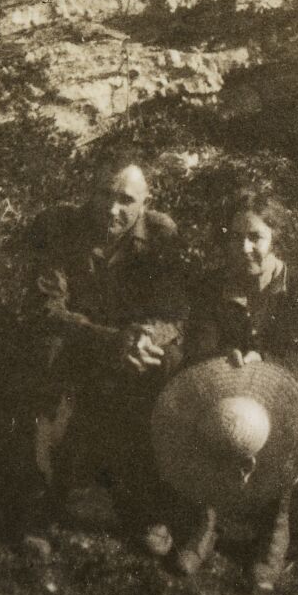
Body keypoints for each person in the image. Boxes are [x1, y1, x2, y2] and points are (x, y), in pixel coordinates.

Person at [23, 160, 187, 554]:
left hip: (130, 347)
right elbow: (48, 308)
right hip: (78, 340)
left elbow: (175, 313)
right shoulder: (58, 225)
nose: (112, 209)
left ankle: (144, 504)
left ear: (145, 202)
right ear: (89, 191)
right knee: (48, 353)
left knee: (170, 363)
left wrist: (145, 338)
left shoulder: (162, 236)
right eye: (104, 194)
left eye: (125, 200)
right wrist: (110, 340)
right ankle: (41, 498)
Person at [175, 195, 298, 590]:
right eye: (236, 237)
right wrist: (225, 357)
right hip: (224, 389)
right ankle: (205, 521)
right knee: (207, 414)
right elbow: (197, 349)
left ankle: (274, 530)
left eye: (255, 237)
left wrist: (265, 361)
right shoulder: (212, 286)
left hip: (281, 396)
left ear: (275, 239)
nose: (244, 248)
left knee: (285, 431)